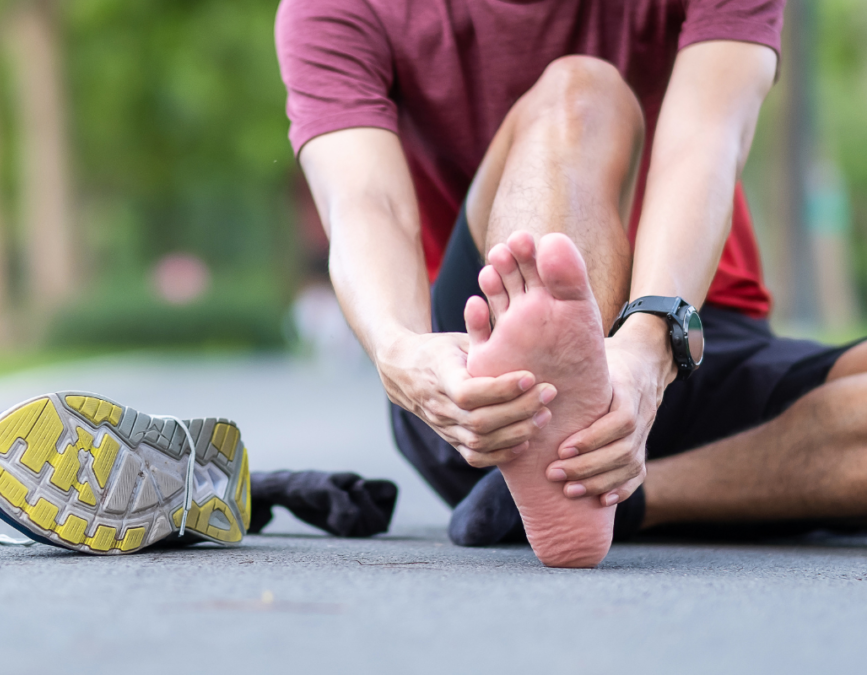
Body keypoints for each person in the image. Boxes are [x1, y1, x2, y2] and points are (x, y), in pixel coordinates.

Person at [277, 0, 867, 567]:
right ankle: (553, 398)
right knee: (583, 95)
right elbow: (366, 203)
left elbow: (705, 141)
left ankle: (626, 495)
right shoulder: (336, 8)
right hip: (482, 396)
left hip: (684, 340)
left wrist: (645, 345)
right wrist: (399, 347)